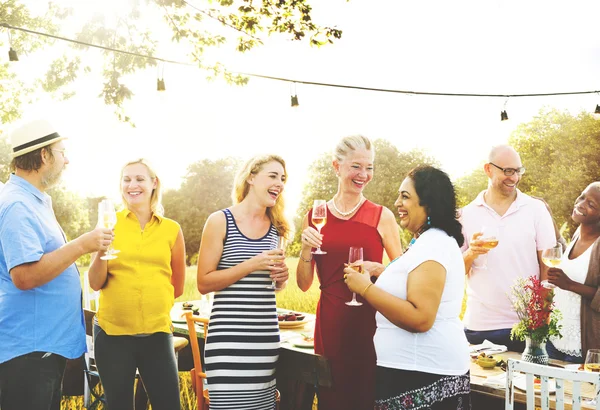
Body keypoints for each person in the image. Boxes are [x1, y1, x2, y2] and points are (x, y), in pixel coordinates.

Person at [0, 119, 112, 410]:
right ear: (44, 156)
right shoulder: (17, 205)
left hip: (42, 350)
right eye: (62, 152)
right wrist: (82, 245)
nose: (67, 159)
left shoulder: (34, 201)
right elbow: (24, 276)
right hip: (29, 353)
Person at [344, 165, 470, 410]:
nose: (397, 202)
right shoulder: (427, 241)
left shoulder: (433, 245)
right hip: (412, 369)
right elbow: (414, 282)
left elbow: (420, 318)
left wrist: (365, 289)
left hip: (422, 372)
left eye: (405, 196)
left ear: (428, 203)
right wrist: (381, 271)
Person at [297, 135, 402, 410]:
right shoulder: (315, 215)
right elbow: (304, 284)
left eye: (369, 168)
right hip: (329, 323)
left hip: (370, 324)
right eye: (356, 166)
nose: (364, 175)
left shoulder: (382, 216)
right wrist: (305, 250)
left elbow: (404, 273)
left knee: (366, 397)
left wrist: (379, 269)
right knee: (332, 399)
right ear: (336, 166)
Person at [87, 158, 186, 410]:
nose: (133, 185)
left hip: (157, 334)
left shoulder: (171, 229)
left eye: (140, 179)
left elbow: (178, 285)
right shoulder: (109, 224)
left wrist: (150, 303)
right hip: (112, 335)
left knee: (168, 405)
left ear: (154, 183)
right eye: (126, 179)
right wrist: (100, 251)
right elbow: (95, 282)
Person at [197, 154, 290, 409]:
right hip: (227, 342)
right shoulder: (220, 221)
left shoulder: (278, 228)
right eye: (272, 176)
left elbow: (273, 285)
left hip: (265, 341)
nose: (279, 183)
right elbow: (204, 282)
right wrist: (252, 264)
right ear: (251, 177)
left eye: (282, 178)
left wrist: (282, 279)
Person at [460, 145, 556, 352]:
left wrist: (541, 319)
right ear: (488, 169)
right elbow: (454, 272)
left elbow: (548, 267)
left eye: (518, 171)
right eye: (507, 171)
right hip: (478, 327)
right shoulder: (465, 215)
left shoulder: (536, 210)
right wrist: (471, 253)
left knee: (525, 385)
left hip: (525, 327)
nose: (514, 178)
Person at [546, 182, 600, 363]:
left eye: (591, 204)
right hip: (554, 338)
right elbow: (568, 256)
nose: (581, 204)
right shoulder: (579, 233)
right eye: (582, 196)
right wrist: (549, 218)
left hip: (581, 345)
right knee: (544, 391)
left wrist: (569, 285)